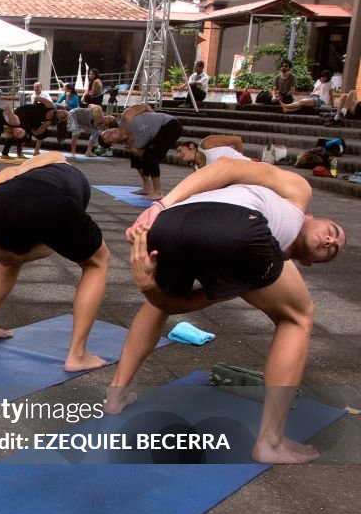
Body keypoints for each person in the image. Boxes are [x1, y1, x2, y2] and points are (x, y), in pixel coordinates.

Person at [105, 158, 346, 464]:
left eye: (333, 249)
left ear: (309, 263)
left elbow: (187, 304)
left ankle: (115, 396)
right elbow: (228, 167)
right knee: (299, 316)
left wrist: (150, 289)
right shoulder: (297, 195)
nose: (330, 240)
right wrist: (161, 204)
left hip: (170, 230)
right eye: (333, 230)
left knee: (158, 303)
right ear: (311, 217)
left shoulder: (259, 264)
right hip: (198, 218)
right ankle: (270, 442)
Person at [0, 152, 110, 368]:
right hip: (48, 199)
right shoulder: (57, 158)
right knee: (96, 263)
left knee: (9, 262)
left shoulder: (49, 176)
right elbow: (11, 170)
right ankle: (77, 355)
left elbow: (21, 255)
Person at [100, 104, 181, 201]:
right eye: (108, 137)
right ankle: (147, 188)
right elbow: (142, 155)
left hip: (170, 125)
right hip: (156, 136)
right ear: (113, 143)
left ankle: (158, 192)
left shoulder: (126, 117)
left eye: (107, 131)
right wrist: (140, 153)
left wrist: (154, 117)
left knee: (151, 155)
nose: (110, 133)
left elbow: (144, 106)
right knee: (136, 157)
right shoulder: (132, 145)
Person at [174, 135, 249, 168]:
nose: (179, 155)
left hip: (247, 166)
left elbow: (237, 140)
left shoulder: (206, 144)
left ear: (191, 146)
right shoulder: (199, 169)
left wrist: (242, 160)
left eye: (180, 150)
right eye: (177, 154)